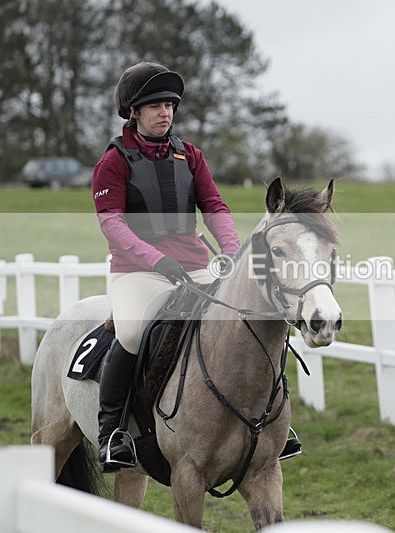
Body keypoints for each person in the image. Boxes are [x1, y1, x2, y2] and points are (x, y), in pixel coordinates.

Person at [92, 61, 240, 471]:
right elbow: (112, 224)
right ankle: (112, 434)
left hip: (195, 265)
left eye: (170, 105)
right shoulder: (114, 162)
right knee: (135, 333)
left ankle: (265, 424)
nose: (166, 112)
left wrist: (231, 250)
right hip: (137, 272)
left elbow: (215, 206)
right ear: (133, 112)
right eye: (156, 105)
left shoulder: (190, 155)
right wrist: (156, 259)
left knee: (240, 319)